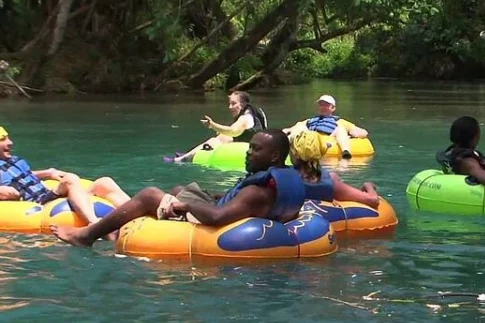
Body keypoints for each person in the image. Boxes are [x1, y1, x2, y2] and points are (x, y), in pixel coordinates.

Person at [52, 129, 305, 247]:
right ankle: (119, 226)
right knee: (178, 187)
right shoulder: (280, 177)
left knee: (151, 194)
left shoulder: (257, 190)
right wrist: (214, 195)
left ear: (274, 157)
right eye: (249, 147)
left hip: (221, 224)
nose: (248, 154)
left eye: (256, 150)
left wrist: (186, 205)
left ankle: (87, 236)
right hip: (240, 213)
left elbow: (218, 218)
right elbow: (241, 202)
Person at [0, 126, 130, 226]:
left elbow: (22, 176)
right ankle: (94, 223)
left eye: (8, 138)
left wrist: (49, 172)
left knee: (105, 182)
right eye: (3, 139)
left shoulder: (13, 160)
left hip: (46, 194)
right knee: (70, 180)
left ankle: (136, 216)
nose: (10, 142)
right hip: (35, 203)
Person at [290, 127, 379, 208]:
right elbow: (373, 200)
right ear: (321, 153)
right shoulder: (331, 180)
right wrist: (368, 186)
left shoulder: (284, 177)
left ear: (294, 153)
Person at [169, 91, 267, 162]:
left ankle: (181, 159)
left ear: (243, 104)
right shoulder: (251, 112)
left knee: (215, 140)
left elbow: (233, 131)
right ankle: (188, 154)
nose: (230, 107)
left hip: (253, 148)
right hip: (255, 144)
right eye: (229, 104)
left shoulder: (246, 117)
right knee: (223, 136)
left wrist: (212, 125)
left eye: (233, 104)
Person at [283, 95, 368, 160]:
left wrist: (353, 133)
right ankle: (287, 148)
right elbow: (290, 129)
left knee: (340, 129)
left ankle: (346, 152)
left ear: (333, 108)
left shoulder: (339, 121)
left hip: (329, 141)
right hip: (312, 141)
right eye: (321, 105)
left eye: (326, 105)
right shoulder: (310, 120)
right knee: (300, 125)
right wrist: (284, 132)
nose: (323, 107)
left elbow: (363, 132)